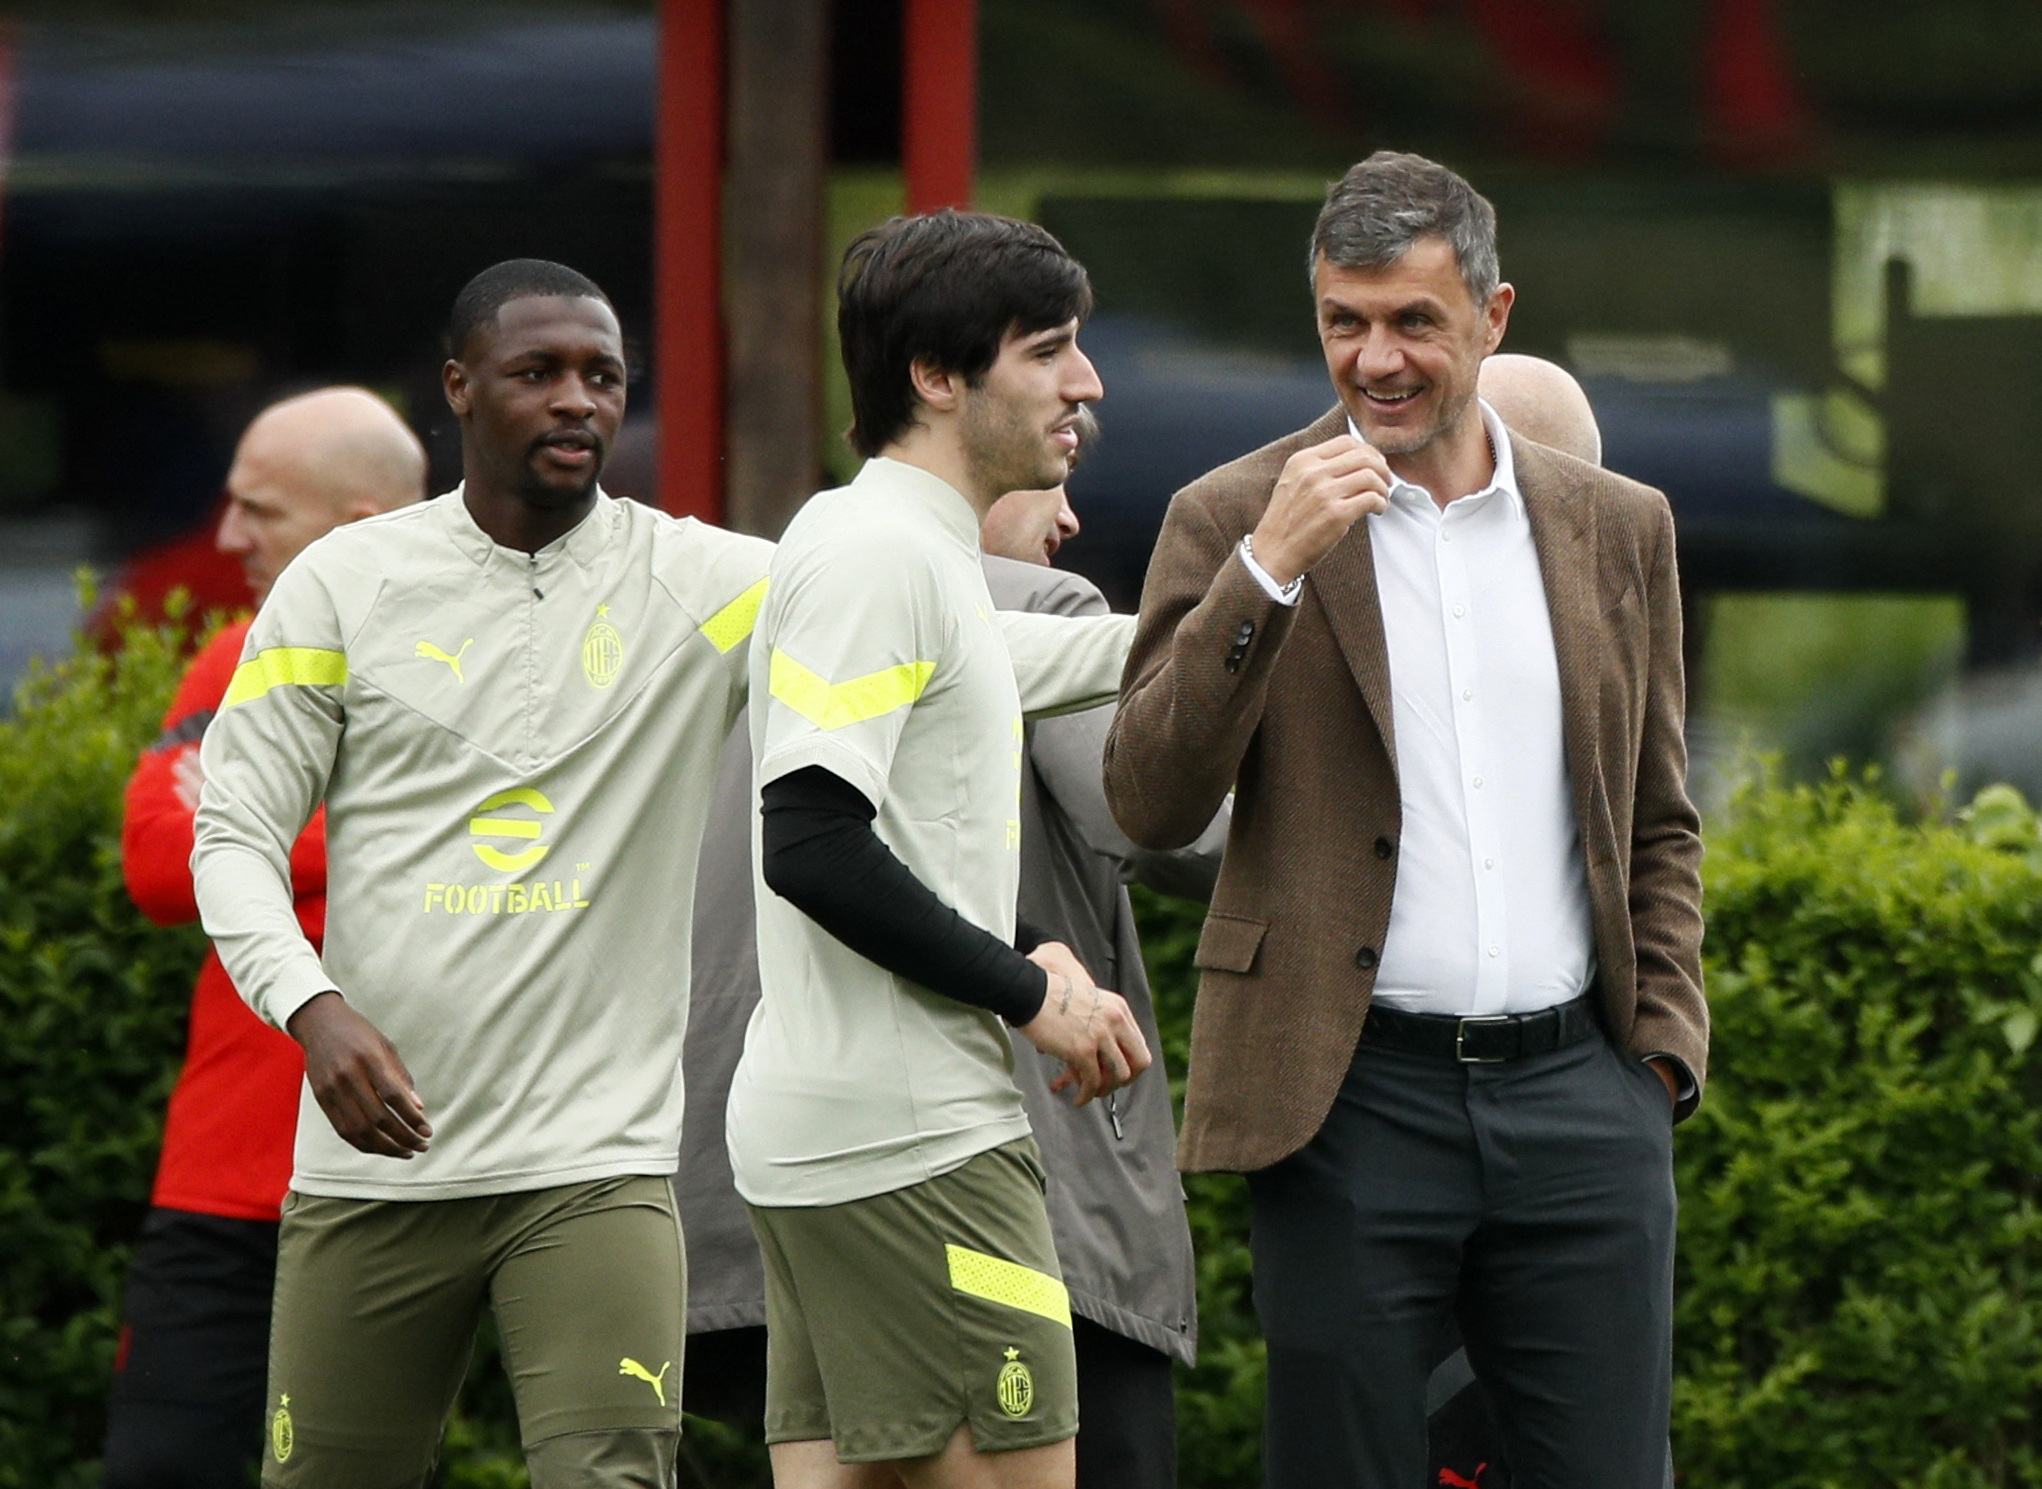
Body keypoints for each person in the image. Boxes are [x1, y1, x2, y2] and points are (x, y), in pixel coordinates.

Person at [191, 257, 1127, 1489]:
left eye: (604, 377)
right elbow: (233, 836)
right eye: (538, 373)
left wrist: (1230, 602)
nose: (577, 401)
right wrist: (313, 1011)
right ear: (459, 389)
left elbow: (970, 651)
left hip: (599, 1170)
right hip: (373, 1170)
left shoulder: (704, 579)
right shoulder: (340, 585)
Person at [1103, 152, 1706, 1487]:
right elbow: (1146, 799)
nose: (1374, 359)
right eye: (1344, 322)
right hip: (1349, 1098)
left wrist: (1655, 1056)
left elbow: (1658, 817)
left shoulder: (1619, 528)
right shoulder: (1231, 515)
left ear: (1491, 318)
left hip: (1580, 1099)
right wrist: (1267, 570)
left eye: (1412, 323)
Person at [678, 408, 1222, 1489]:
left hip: (750, 1193)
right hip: (970, 1175)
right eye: (1047, 381)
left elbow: (849, 848)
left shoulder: (780, 593)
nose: (1070, 514)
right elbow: (1166, 828)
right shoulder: (980, 590)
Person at [726, 210, 1151, 1489]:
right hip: (915, 1145)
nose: (1085, 383)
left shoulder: (899, 549)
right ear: (934, 375)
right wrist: (1031, 995)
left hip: (843, 1138)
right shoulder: (874, 556)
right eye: (1049, 349)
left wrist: (1265, 586)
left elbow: (1070, 670)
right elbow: (807, 842)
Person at [104, 388, 427, 1489]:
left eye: (258, 511)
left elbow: (497, 850)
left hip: (396, 1169)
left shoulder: (468, 660)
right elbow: (155, 862)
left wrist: (244, 822)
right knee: (161, 1468)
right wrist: (379, 820)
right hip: (218, 1182)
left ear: (353, 521)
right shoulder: (235, 652)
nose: (227, 538)